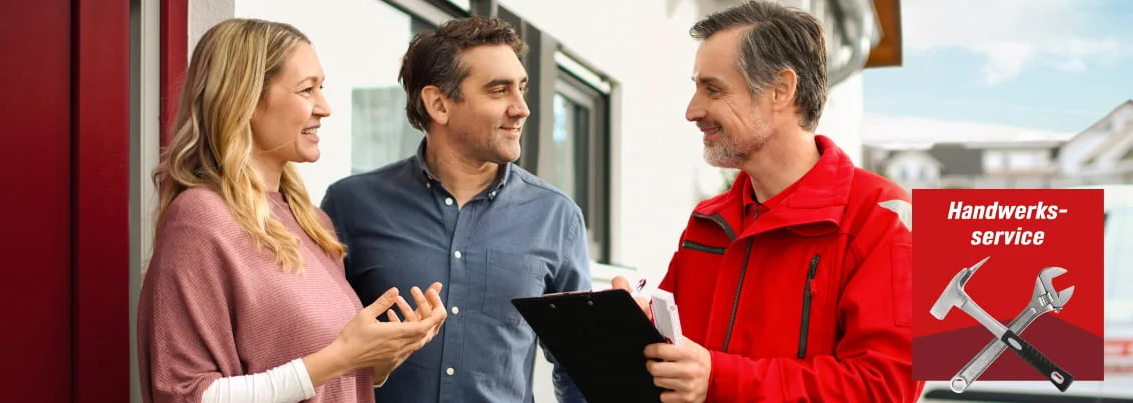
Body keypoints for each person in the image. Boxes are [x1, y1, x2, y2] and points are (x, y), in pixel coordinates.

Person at [612, 2, 920, 402]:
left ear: (781, 90)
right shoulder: (709, 220)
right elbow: (679, 353)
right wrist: (629, 323)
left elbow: (886, 388)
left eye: (714, 89)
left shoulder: (885, 217)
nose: (693, 110)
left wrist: (718, 379)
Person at [137, 18, 447, 403]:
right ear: (245, 100)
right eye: (307, 90)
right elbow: (186, 394)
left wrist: (379, 358)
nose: (326, 107)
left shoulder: (312, 222)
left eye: (322, 88)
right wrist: (341, 356)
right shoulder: (201, 217)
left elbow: (317, 373)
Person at [321, 16, 590, 403]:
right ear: (438, 104)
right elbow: (321, 342)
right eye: (499, 91)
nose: (522, 109)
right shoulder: (350, 206)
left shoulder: (557, 217)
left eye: (522, 88)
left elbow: (578, 363)